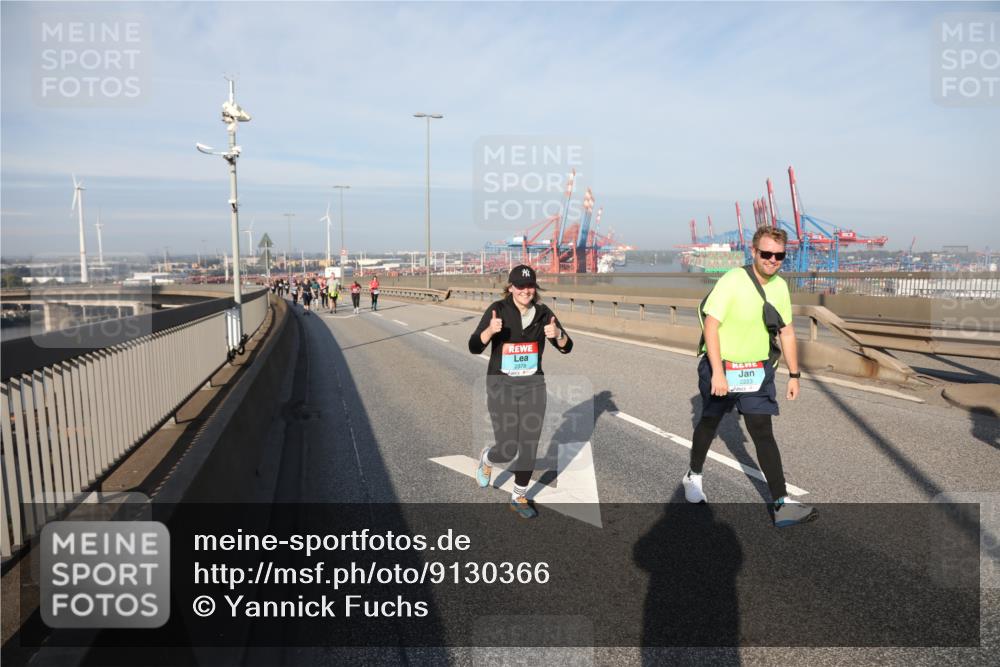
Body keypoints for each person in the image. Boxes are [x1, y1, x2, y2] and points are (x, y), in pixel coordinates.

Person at [684, 226, 817, 527]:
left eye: (779, 255)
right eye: (766, 253)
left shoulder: (781, 286)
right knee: (709, 420)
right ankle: (693, 475)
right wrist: (718, 372)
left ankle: (781, 504)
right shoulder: (733, 280)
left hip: (757, 371)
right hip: (723, 367)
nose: (773, 260)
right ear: (754, 252)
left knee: (762, 431)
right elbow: (711, 325)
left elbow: (786, 330)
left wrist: (794, 375)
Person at [468, 264, 573, 519]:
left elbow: (567, 346)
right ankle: (488, 458)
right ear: (511, 287)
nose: (526, 291)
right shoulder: (498, 310)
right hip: (500, 386)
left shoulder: (543, 312)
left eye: (530, 286)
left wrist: (558, 334)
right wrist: (489, 331)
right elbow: (473, 346)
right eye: (520, 286)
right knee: (508, 447)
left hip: (533, 386)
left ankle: (519, 496)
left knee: (528, 443)